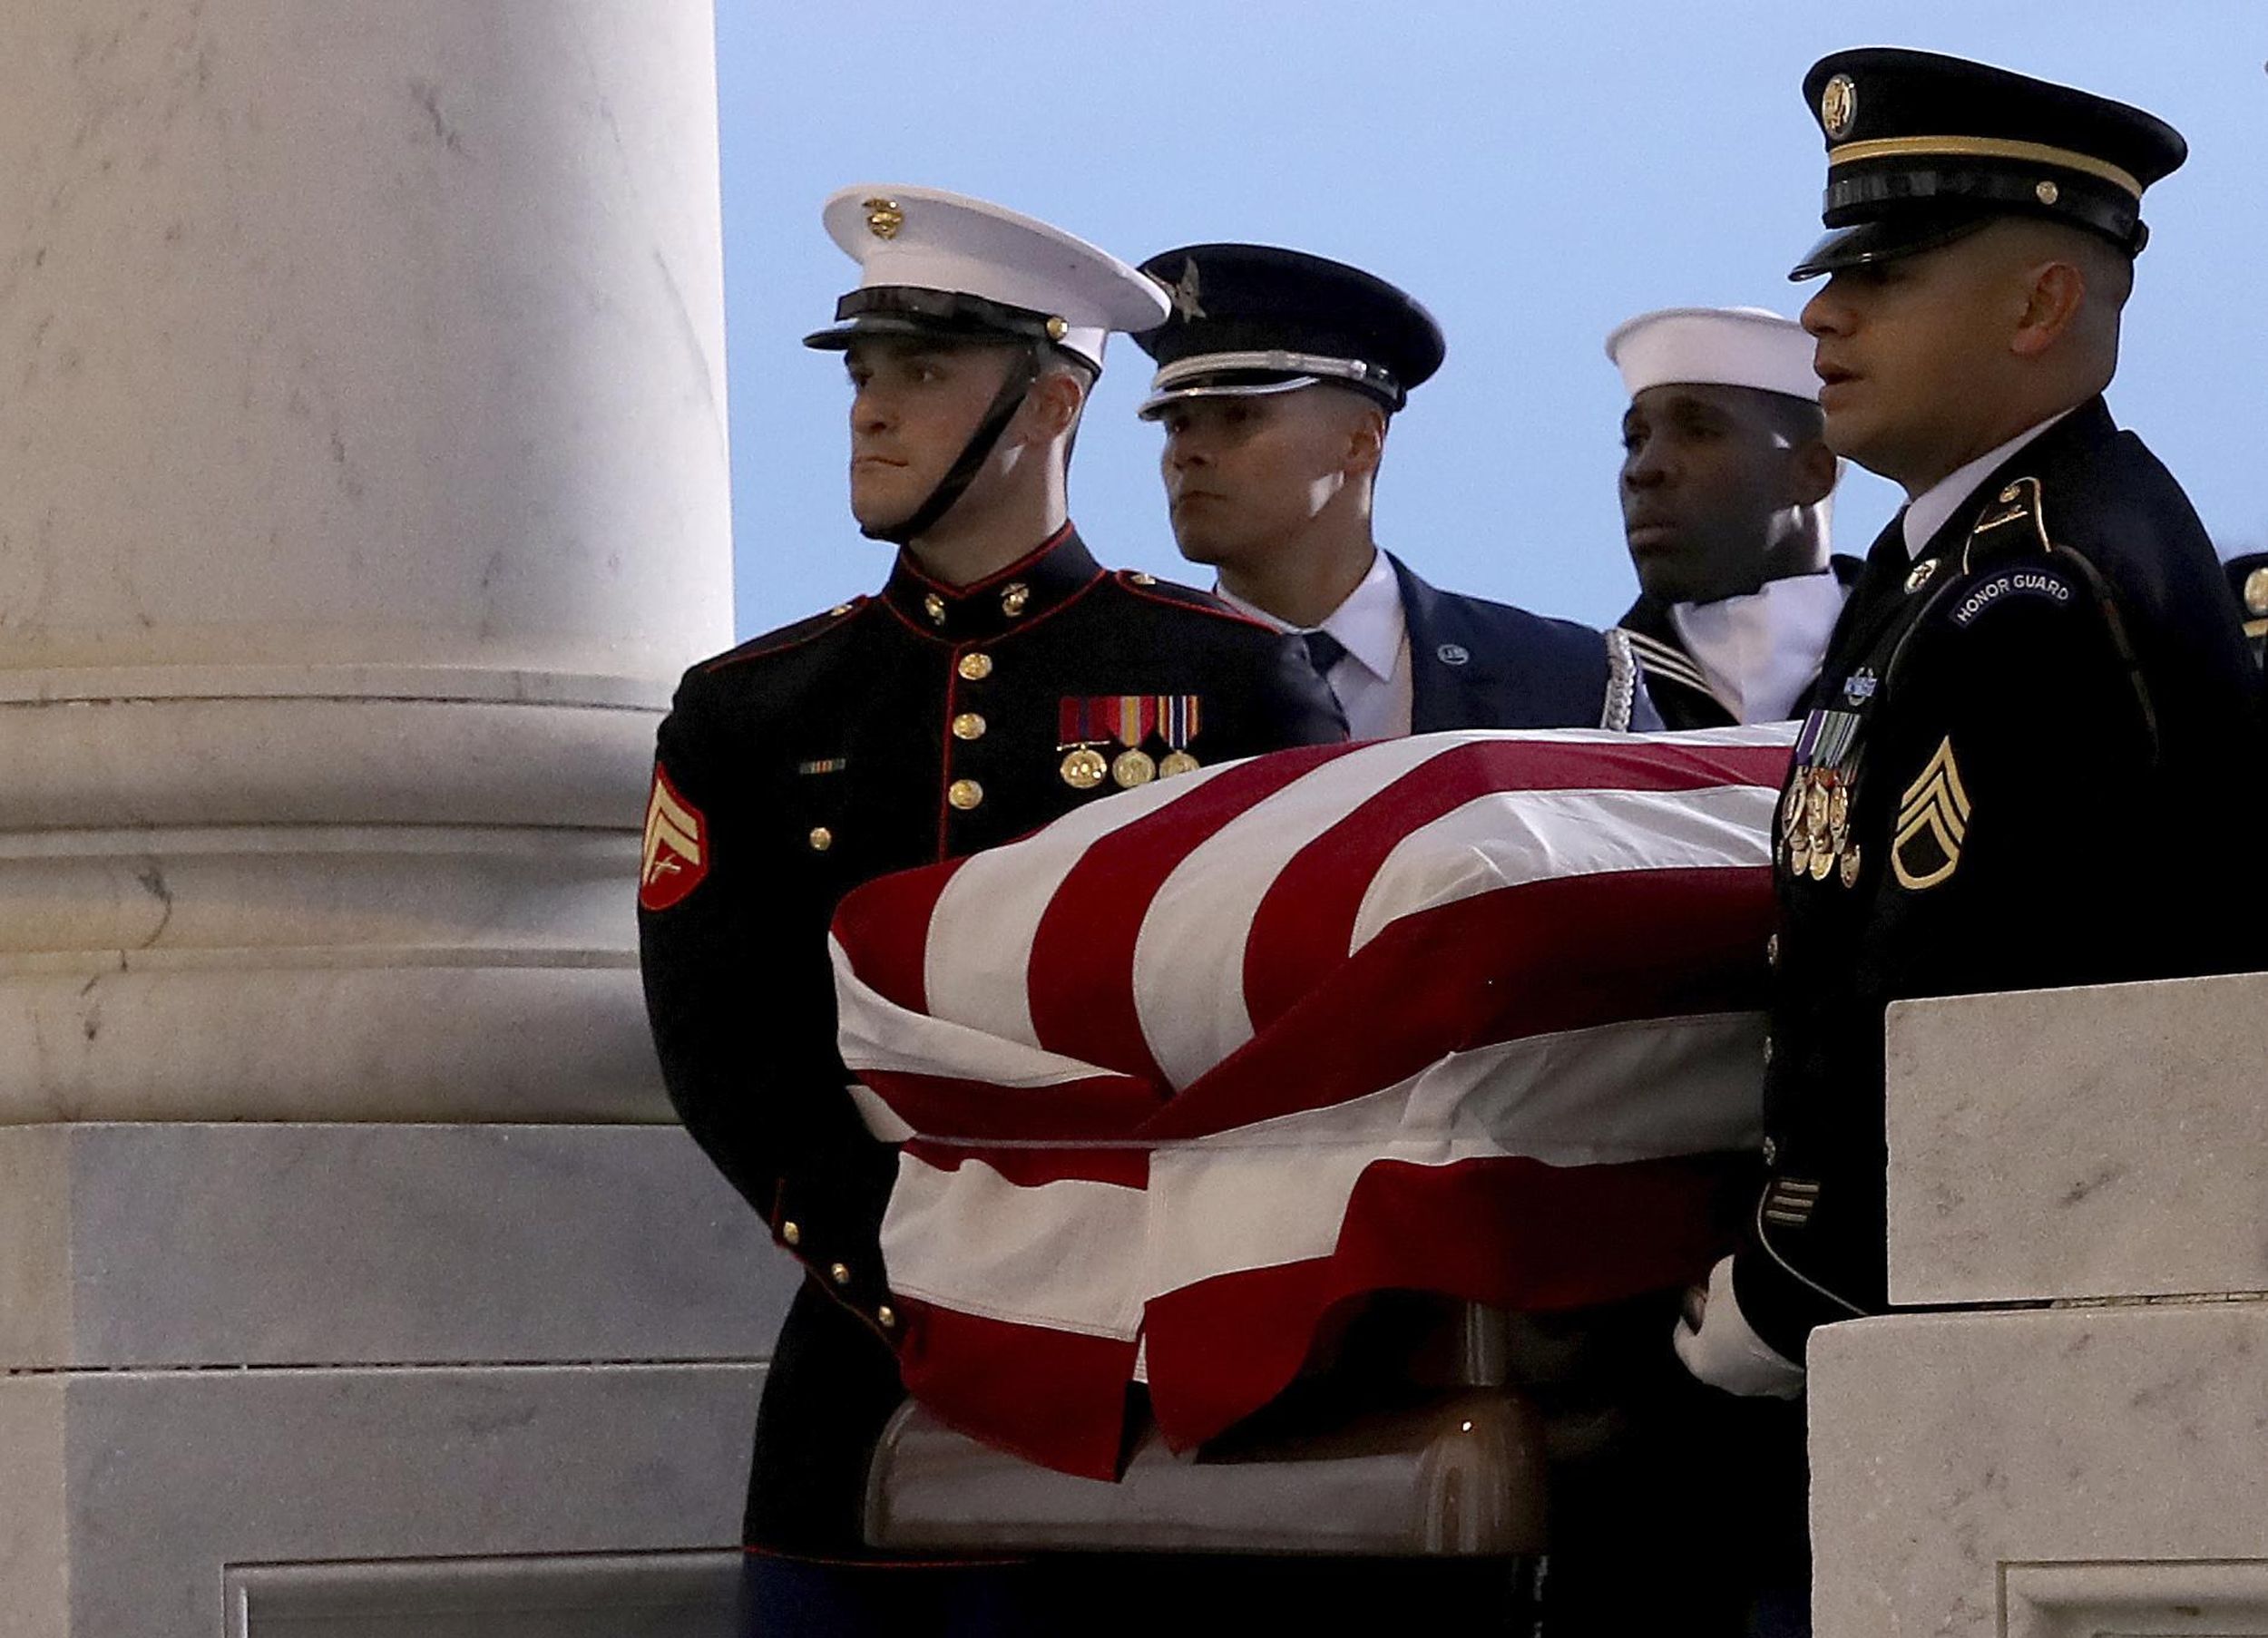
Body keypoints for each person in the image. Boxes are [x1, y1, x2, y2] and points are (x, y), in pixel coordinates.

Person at [636, 184, 1344, 1636]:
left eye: (927, 371)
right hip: (863, 1378)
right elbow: (726, 1047)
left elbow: (1299, 1032)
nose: (872, 411)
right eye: (864, 372)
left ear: (1051, 399)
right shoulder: (750, 711)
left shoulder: (1229, 682)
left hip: (1153, 1396)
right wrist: (911, 1280)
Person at [1674, 48, 2266, 1633]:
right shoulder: (1954, 559)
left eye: (1880, 275)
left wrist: (1790, 1287)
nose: (1822, 316)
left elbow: (1971, 995)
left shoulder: (2044, 589)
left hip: (1986, 1332)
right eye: (1827, 276)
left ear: (2037, 308)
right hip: (1935, 1319)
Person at [1133, 243, 1641, 736]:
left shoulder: (1564, 683)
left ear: (1360, 441)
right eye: (1176, 425)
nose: (1187, 453)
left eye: (1237, 417)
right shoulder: (1108, 681)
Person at [1609, 307, 1857, 726]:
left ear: (1813, 473)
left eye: (1700, 431)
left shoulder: (1939, 653)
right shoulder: (1591, 694)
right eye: (1635, 440)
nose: (1643, 469)